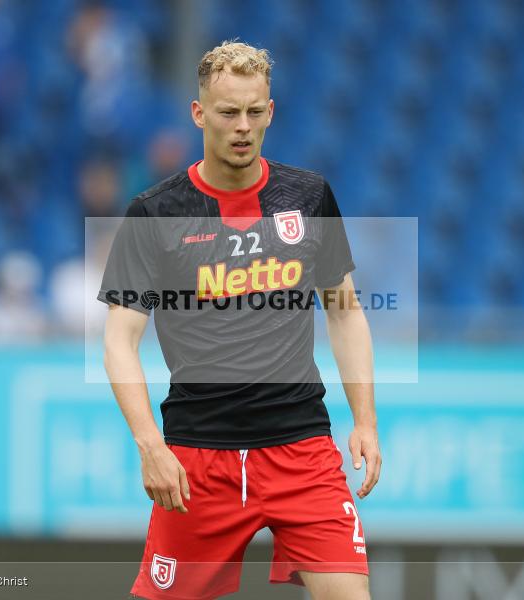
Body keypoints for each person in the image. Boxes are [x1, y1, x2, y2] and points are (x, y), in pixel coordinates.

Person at [99, 41, 380, 600]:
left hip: (301, 449)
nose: (243, 126)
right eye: (228, 112)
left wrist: (365, 420)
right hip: (198, 459)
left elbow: (345, 312)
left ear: (270, 112)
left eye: (255, 111)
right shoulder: (155, 212)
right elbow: (118, 341)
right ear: (199, 113)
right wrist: (150, 446)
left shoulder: (309, 197)